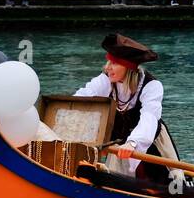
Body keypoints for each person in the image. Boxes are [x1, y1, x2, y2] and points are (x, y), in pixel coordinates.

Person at [76, 33, 181, 182]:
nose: (108, 68)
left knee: (167, 186)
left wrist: (133, 143)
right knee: (117, 186)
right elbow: (82, 98)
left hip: (152, 147)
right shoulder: (105, 80)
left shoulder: (152, 86)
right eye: (108, 62)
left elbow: (149, 118)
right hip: (119, 149)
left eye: (114, 63)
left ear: (128, 67)